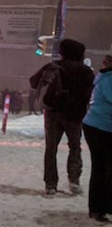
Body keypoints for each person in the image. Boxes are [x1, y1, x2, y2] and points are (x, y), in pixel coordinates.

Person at [29, 39, 95, 195]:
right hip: (75, 115)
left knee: (51, 148)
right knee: (75, 147)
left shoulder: (53, 66)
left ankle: (50, 184)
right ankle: (74, 180)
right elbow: (90, 92)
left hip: (53, 113)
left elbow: (33, 82)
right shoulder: (85, 71)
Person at [83, 55, 112, 223]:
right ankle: (97, 208)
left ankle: (104, 207)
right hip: (99, 128)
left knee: (105, 167)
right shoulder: (109, 79)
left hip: (99, 126)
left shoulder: (104, 77)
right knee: (101, 168)